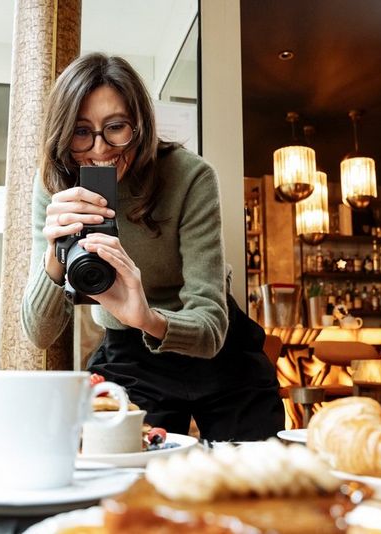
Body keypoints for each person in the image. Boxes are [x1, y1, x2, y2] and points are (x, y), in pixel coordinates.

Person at [21, 52, 283, 441]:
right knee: (125, 475)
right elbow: (39, 333)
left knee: (258, 479)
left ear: (139, 124)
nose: (99, 149)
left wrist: (146, 317)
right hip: (129, 356)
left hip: (217, 347)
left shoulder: (188, 176)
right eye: (81, 132)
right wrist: (54, 255)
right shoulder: (55, 186)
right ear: (63, 134)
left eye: (116, 127)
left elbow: (210, 326)